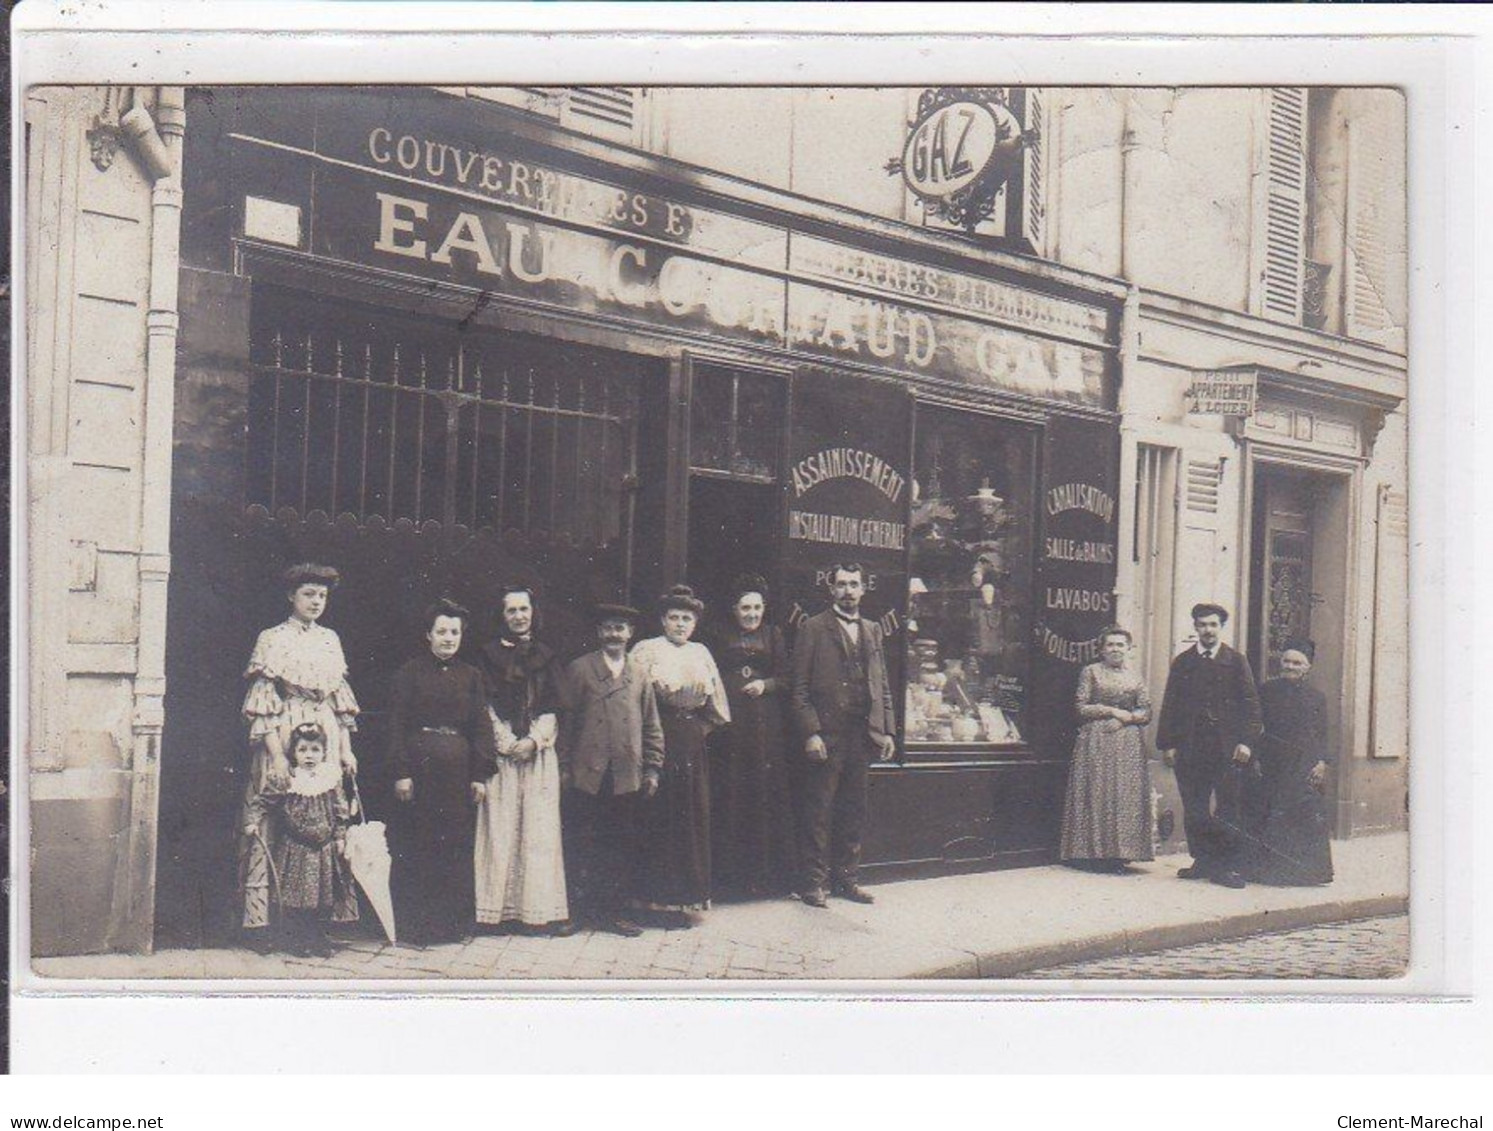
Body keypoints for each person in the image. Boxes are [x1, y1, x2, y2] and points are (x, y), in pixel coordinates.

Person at [239, 562, 360, 953]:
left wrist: (346, 750)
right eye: (309, 594)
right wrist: (276, 756)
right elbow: (262, 700)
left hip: (323, 730)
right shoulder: (272, 638)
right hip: (284, 727)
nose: (316, 602)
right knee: (275, 816)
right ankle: (267, 924)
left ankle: (316, 922)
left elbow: (340, 702)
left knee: (322, 821)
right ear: (291, 596)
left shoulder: (331, 639)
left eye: (322, 596)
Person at [387, 599, 496, 946]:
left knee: (455, 846)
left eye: (455, 632)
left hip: (458, 775)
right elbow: (396, 725)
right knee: (420, 845)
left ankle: (452, 925)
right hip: (421, 771)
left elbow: (481, 727)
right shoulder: (408, 673)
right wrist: (401, 772)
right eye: (442, 632)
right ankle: (417, 927)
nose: (448, 638)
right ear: (428, 635)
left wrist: (480, 774)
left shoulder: (472, 676)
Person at [789, 563, 897, 909]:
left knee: (854, 809)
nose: (848, 591)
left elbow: (882, 685)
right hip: (828, 735)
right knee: (819, 810)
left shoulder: (872, 630)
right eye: (841, 585)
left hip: (862, 735)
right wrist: (811, 732)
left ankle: (846, 879)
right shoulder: (813, 628)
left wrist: (888, 729)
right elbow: (800, 688)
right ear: (831, 589)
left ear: (863, 589)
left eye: (854, 584)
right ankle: (814, 884)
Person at [557, 604, 665, 937]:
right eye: (608, 628)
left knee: (618, 846)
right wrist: (563, 768)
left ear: (630, 634)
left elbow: (651, 724)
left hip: (625, 775)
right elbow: (566, 723)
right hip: (587, 774)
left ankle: (613, 913)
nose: (614, 635)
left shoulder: (639, 673)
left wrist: (653, 768)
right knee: (582, 843)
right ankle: (578, 913)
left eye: (620, 628)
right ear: (599, 633)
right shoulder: (580, 670)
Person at [474, 585, 573, 936]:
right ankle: (495, 914)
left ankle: (536, 913)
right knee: (500, 829)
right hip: (502, 757)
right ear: (502, 616)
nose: (519, 616)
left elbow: (554, 707)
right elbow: (483, 705)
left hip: (537, 755)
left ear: (534, 612)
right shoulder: (487, 656)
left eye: (524, 609)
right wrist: (506, 742)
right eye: (511, 610)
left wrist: (533, 740)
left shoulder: (547, 655)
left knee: (537, 832)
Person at [630, 585, 731, 927]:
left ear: (695, 623)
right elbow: (632, 699)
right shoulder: (646, 650)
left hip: (689, 740)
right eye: (673, 618)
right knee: (656, 815)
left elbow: (717, 709)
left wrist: (693, 730)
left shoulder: (701, 652)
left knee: (688, 816)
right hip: (655, 734)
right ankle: (651, 901)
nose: (680, 625)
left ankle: (681, 901)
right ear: (662, 620)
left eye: (686, 619)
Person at [1156, 602, 1264, 889]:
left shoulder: (1236, 661)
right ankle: (1202, 859)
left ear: (1221, 627)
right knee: (1195, 807)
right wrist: (1168, 743)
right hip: (1191, 747)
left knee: (1228, 806)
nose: (1208, 630)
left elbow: (1252, 706)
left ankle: (1226, 866)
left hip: (1227, 748)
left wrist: (1246, 741)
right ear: (1195, 627)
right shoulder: (1183, 662)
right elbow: (1171, 705)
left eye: (1213, 624)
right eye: (1202, 624)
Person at [709, 574, 797, 898]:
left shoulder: (774, 635)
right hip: (731, 725)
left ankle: (762, 879)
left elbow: (788, 678)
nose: (752, 614)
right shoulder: (719, 635)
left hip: (764, 726)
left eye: (757, 607)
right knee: (732, 792)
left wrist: (766, 685)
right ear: (735, 609)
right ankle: (729, 881)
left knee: (762, 794)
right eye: (746, 607)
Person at [242, 723, 357, 957]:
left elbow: (340, 810)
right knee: (296, 897)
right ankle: (297, 940)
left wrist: (340, 837)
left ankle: (319, 940)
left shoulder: (329, 777)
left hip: (323, 848)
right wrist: (252, 820)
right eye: (303, 750)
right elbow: (263, 801)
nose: (309, 756)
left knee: (324, 897)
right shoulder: (287, 779)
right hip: (296, 848)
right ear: (293, 753)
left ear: (324, 752)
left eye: (315, 750)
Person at [1058, 626, 1154, 872]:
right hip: (1097, 741)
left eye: (1120, 645)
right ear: (1101, 649)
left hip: (1128, 744)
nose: (1115, 649)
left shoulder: (1135, 677)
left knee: (1123, 795)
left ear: (1129, 649)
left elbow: (1146, 711)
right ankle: (1090, 854)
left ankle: (1120, 854)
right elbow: (1080, 707)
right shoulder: (1090, 672)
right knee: (1096, 791)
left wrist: (1127, 719)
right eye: (1110, 644)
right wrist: (1111, 711)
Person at [1247, 639, 1334, 885]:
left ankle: (1305, 873)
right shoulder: (1266, 690)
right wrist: (1255, 757)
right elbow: (1255, 726)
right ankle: (1269, 872)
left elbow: (1322, 733)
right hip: (1272, 761)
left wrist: (1321, 763)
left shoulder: (1317, 698)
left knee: (1301, 814)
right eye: (1286, 661)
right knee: (1271, 813)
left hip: (1303, 764)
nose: (1290, 666)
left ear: (1308, 667)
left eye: (1297, 663)